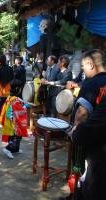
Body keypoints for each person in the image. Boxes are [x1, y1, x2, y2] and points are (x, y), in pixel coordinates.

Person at [60, 49, 106, 200]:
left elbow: (82, 113)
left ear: (91, 65)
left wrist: (74, 132)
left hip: (92, 145)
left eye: (84, 67)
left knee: (85, 178)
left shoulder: (91, 83)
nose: (83, 70)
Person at [0, 80, 28, 159]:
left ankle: (15, 149)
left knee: (14, 136)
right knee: (16, 136)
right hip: (14, 121)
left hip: (9, 120)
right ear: (17, 89)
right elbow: (20, 111)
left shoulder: (10, 97)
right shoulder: (15, 100)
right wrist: (25, 107)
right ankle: (7, 149)